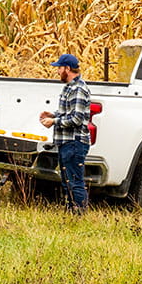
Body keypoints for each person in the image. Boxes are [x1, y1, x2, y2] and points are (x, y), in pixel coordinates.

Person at [39, 54, 91, 214]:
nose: (57, 71)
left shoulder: (79, 89)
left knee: (75, 181)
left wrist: (54, 122)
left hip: (74, 143)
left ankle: (79, 213)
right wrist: (54, 114)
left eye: (59, 68)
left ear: (67, 69)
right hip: (65, 143)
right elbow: (68, 112)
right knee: (67, 181)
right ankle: (71, 211)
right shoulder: (68, 88)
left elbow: (76, 118)